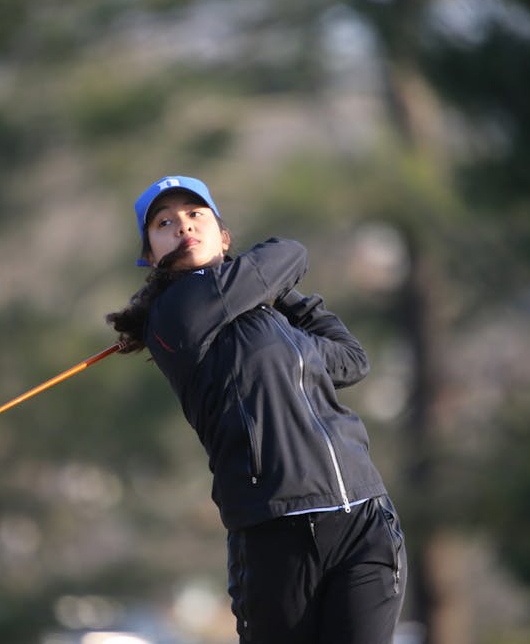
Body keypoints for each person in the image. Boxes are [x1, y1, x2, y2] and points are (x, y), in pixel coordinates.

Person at [107, 175, 406, 643]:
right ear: (150, 255)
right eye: (165, 223)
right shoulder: (174, 315)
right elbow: (290, 252)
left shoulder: (273, 322)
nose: (183, 226)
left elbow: (351, 360)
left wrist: (281, 296)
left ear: (222, 235)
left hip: (363, 520)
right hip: (274, 533)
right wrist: (274, 282)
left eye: (195, 215)